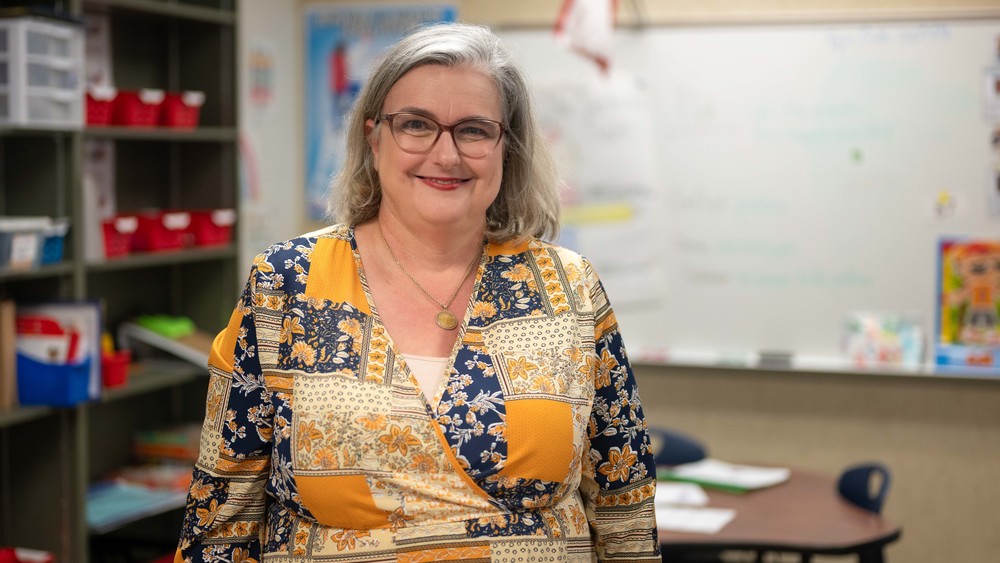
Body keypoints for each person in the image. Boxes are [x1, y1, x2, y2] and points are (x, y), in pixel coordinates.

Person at [176, 22, 660, 562]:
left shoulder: (570, 288)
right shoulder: (286, 284)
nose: (445, 154)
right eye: (416, 125)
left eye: (473, 130)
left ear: (508, 148)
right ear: (373, 138)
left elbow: (625, 504)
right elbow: (221, 515)